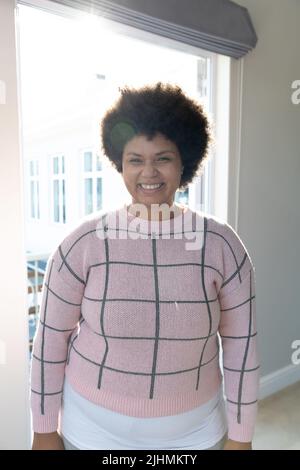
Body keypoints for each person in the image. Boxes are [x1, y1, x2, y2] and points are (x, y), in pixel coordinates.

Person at [30, 82, 259, 450]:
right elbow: (50, 341)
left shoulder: (222, 244)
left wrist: (242, 436)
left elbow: (241, 347)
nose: (148, 172)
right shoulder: (83, 243)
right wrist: (43, 430)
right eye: (135, 159)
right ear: (119, 163)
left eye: (163, 158)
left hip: (196, 434)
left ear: (185, 161)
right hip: (91, 432)